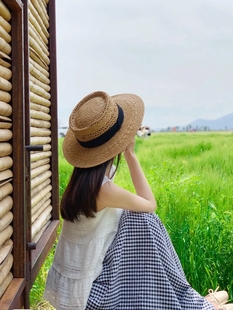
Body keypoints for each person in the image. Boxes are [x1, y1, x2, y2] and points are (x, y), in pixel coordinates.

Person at [44, 91, 232, 310]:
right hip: (88, 293)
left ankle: (185, 297)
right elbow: (149, 204)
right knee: (143, 221)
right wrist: (131, 155)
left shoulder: (82, 183)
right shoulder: (102, 190)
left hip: (71, 284)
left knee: (132, 218)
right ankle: (188, 301)